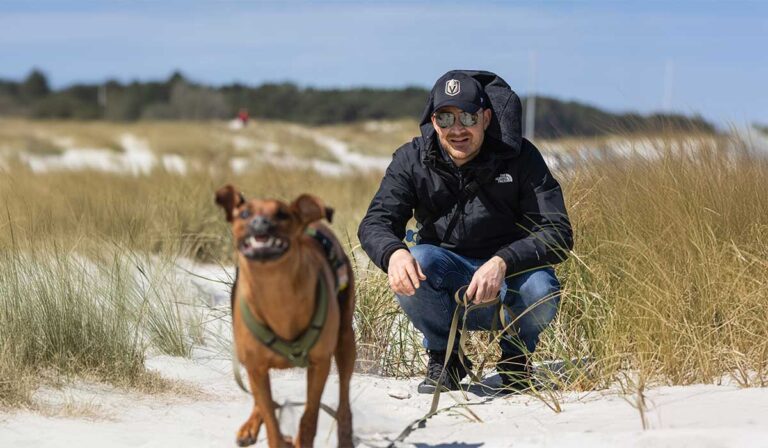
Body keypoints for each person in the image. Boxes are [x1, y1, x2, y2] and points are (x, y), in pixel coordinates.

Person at [357, 70, 573, 393]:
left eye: (468, 117)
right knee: (416, 261)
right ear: (434, 121)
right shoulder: (412, 159)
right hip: (446, 278)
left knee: (541, 288)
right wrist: (394, 253)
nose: (457, 130)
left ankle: (516, 361)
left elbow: (558, 232)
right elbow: (374, 223)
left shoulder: (522, 157)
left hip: (507, 279)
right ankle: (446, 357)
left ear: (485, 118)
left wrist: (502, 261)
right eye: (445, 118)